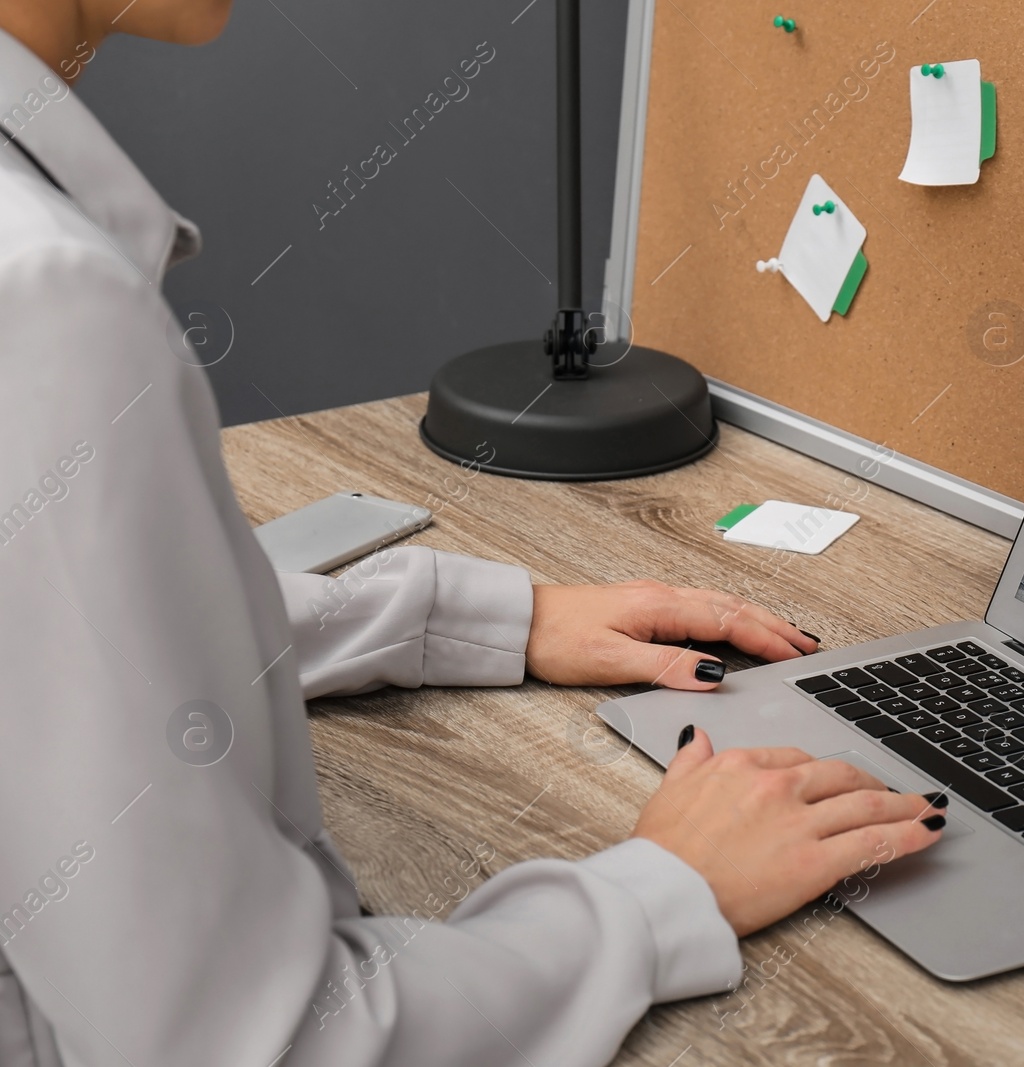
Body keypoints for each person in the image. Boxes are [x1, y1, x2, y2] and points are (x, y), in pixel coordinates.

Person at [0, 3, 944, 1064]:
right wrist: (654, 896)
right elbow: (244, 1043)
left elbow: (61, 648)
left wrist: (476, 614)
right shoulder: (43, 301)